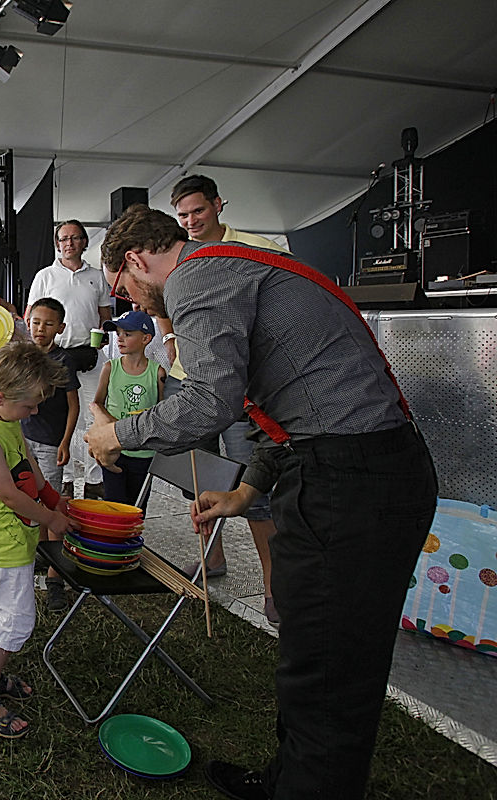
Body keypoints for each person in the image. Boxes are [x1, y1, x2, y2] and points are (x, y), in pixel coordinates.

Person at [84, 204, 437, 800]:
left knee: (330, 670)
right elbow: (296, 407)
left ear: (136, 262)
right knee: (313, 650)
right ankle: (288, 780)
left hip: (355, 483)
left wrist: (116, 433)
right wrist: (248, 489)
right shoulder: (236, 267)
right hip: (347, 469)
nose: (136, 307)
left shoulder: (196, 276)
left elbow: (207, 405)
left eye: (126, 291)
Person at [168, 174, 289, 625]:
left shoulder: (260, 249)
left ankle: (274, 587)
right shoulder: (179, 257)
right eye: (182, 215)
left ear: (219, 205)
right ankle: (212, 559)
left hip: (243, 391)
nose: (191, 221)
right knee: (197, 481)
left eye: (197, 211)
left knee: (253, 490)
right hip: (186, 382)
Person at [0, 341, 72, 738]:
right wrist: (51, 520)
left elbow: (29, 464)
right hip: (1, 541)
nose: (35, 412)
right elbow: (8, 493)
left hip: (13, 537)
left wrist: (54, 498)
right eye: (30, 406)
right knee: (16, 619)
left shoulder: (5, 418)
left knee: (3, 611)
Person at [24, 221, 114, 500]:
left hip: (88, 355)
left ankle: (93, 478)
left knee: (92, 415)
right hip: (54, 358)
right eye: (64, 238)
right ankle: (64, 477)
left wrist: (106, 333)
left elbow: (105, 314)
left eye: (76, 238)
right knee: (59, 416)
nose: (70, 243)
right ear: (57, 243)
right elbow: (31, 316)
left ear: (85, 242)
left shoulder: (98, 276)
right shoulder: (45, 276)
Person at [21, 297, 80, 612]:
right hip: (24, 440)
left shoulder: (63, 360)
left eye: (48, 323)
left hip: (49, 442)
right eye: (36, 322)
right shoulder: (25, 355)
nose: (40, 329)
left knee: (53, 504)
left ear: (60, 328)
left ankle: (56, 578)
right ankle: (43, 557)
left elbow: (73, 404)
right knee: (32, 503)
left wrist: (66, 441)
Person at [91, 310, 165, 506]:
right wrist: (111, 425)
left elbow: (163, 411)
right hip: (114, 449)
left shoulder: (157, 373)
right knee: (113, 505)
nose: (120, 339)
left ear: (146, 338)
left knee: (137, 508)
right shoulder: (110, 368)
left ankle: (133, 538)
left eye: (128, 334)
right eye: (118, 333)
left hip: (143, 453)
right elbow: (97, 403)